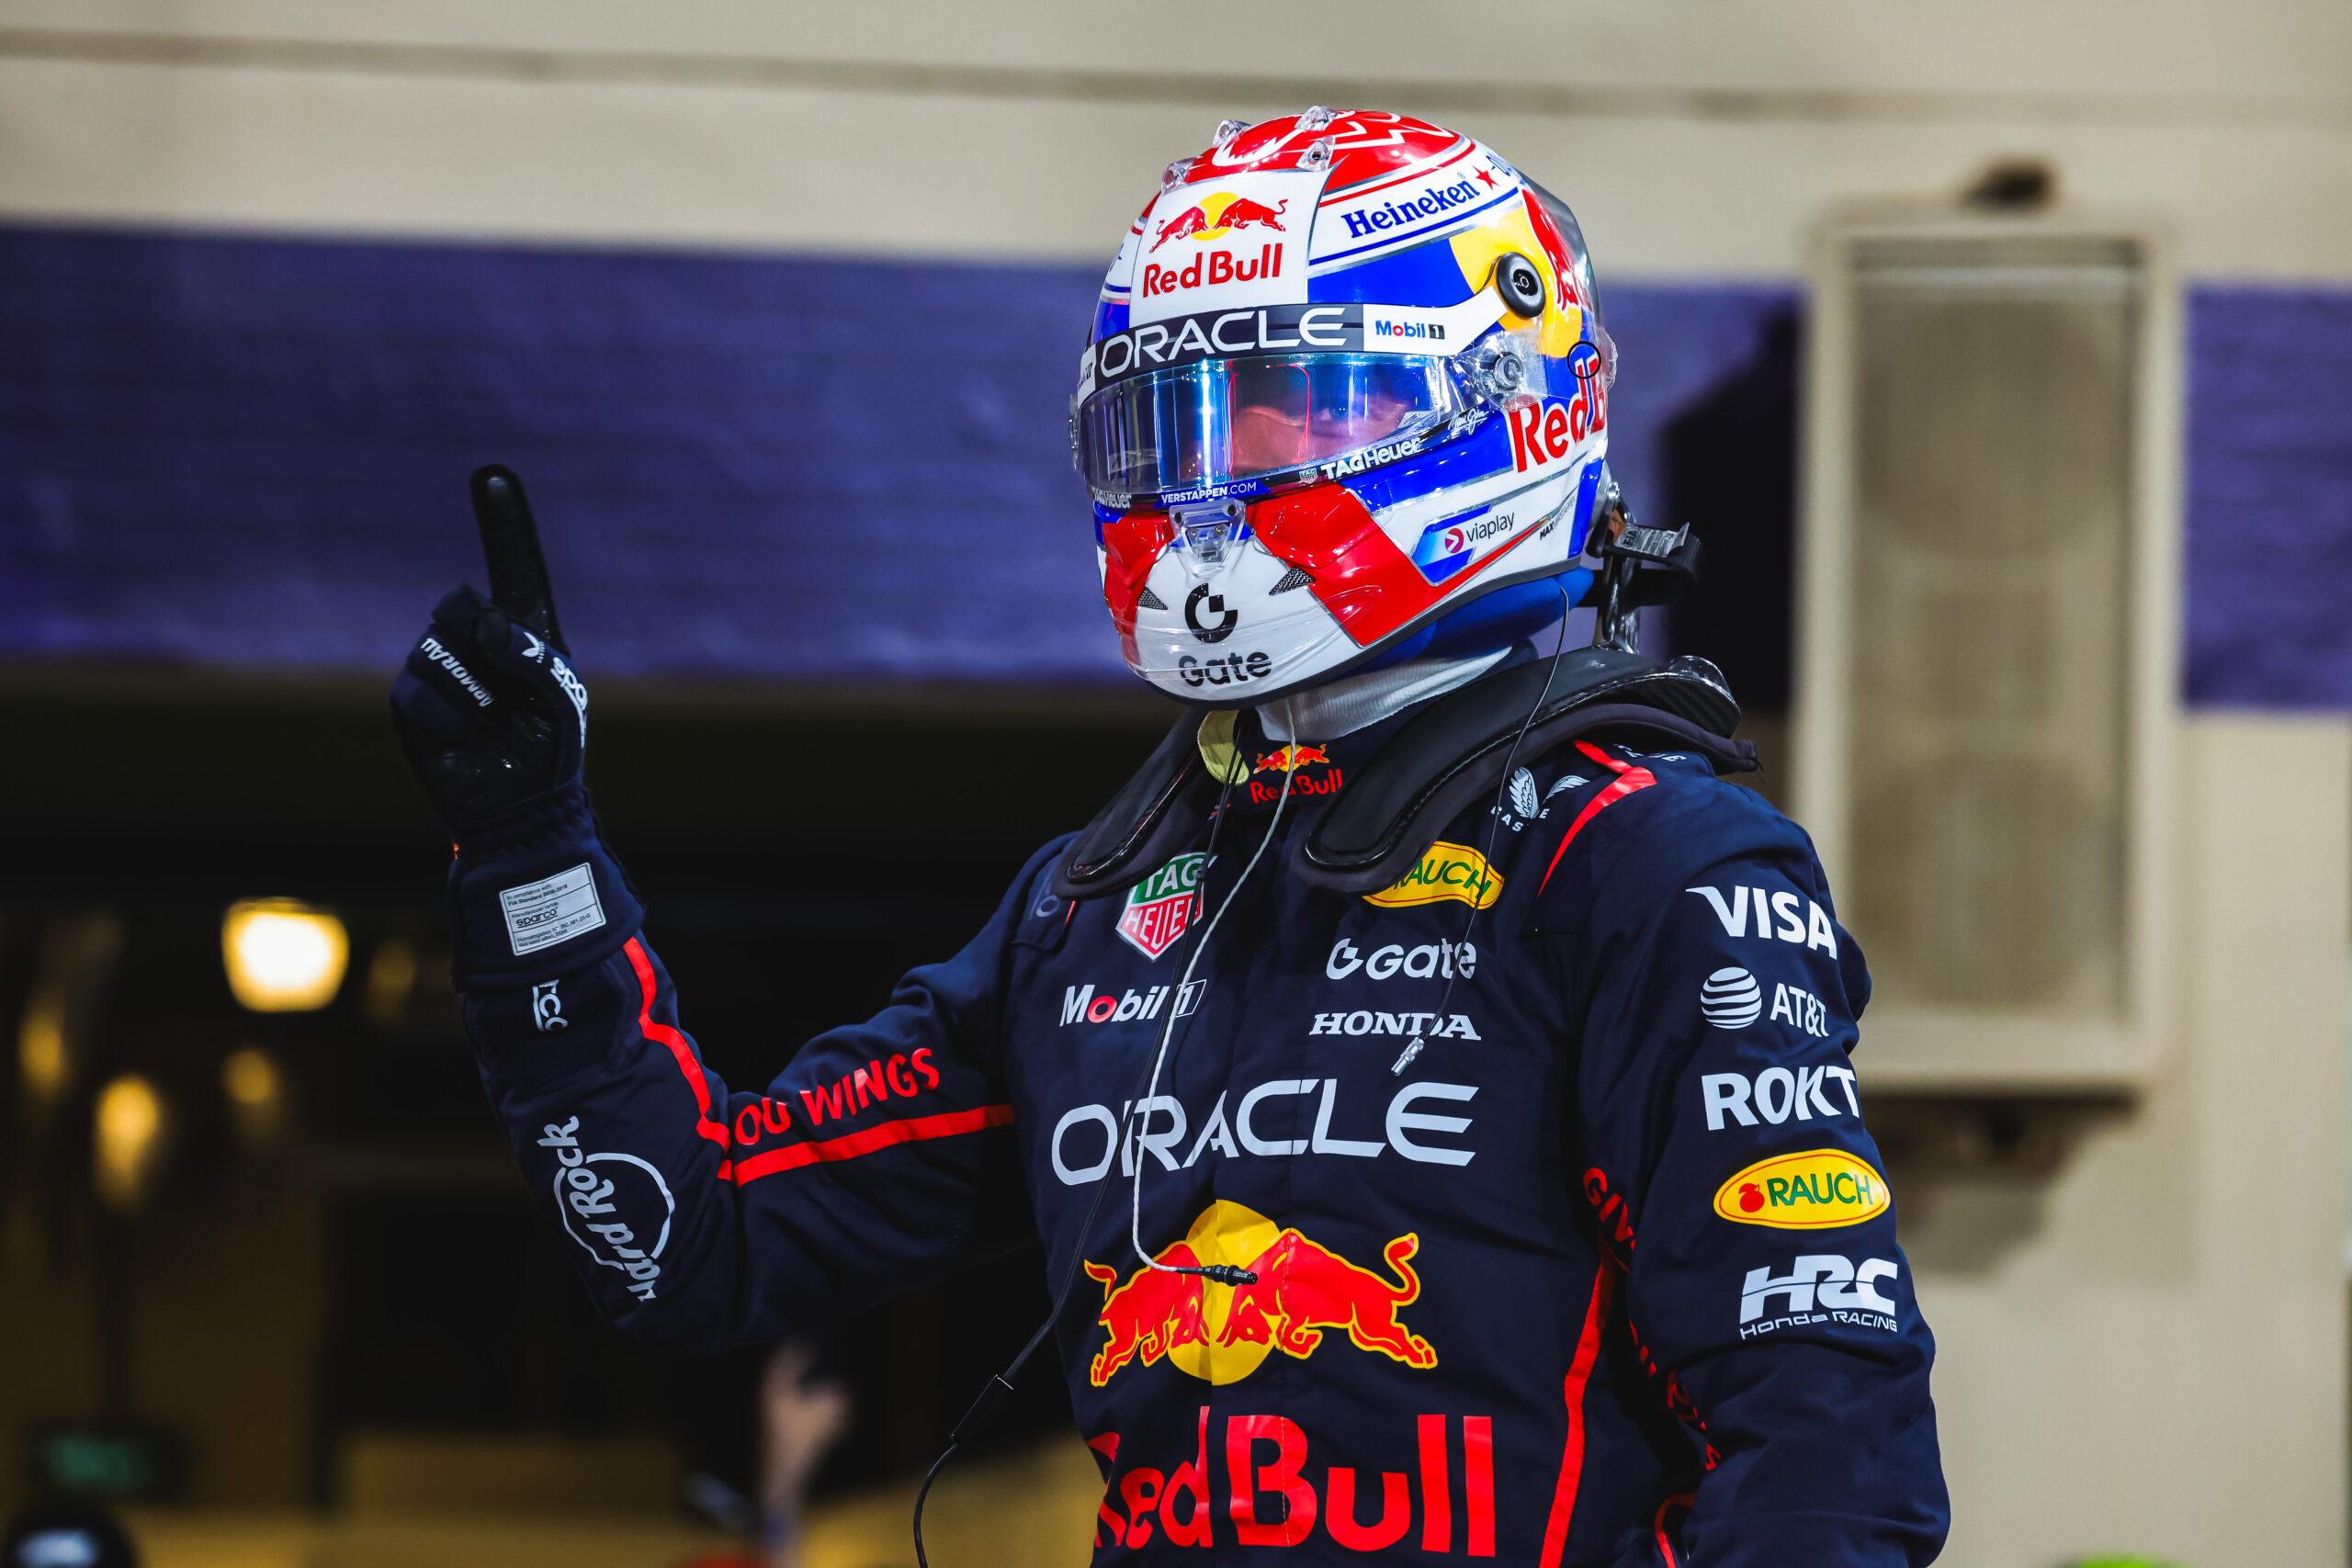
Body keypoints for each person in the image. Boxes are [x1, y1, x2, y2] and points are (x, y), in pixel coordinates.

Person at [390, 109, 1948, 1566]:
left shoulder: (1644, 863)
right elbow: (693, 1243)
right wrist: (530, 849)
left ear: (1512, 408)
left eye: (1295, 411)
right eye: (1177, 426)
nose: (1217, 482)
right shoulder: (1095, 908)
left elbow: (1828, 1465)